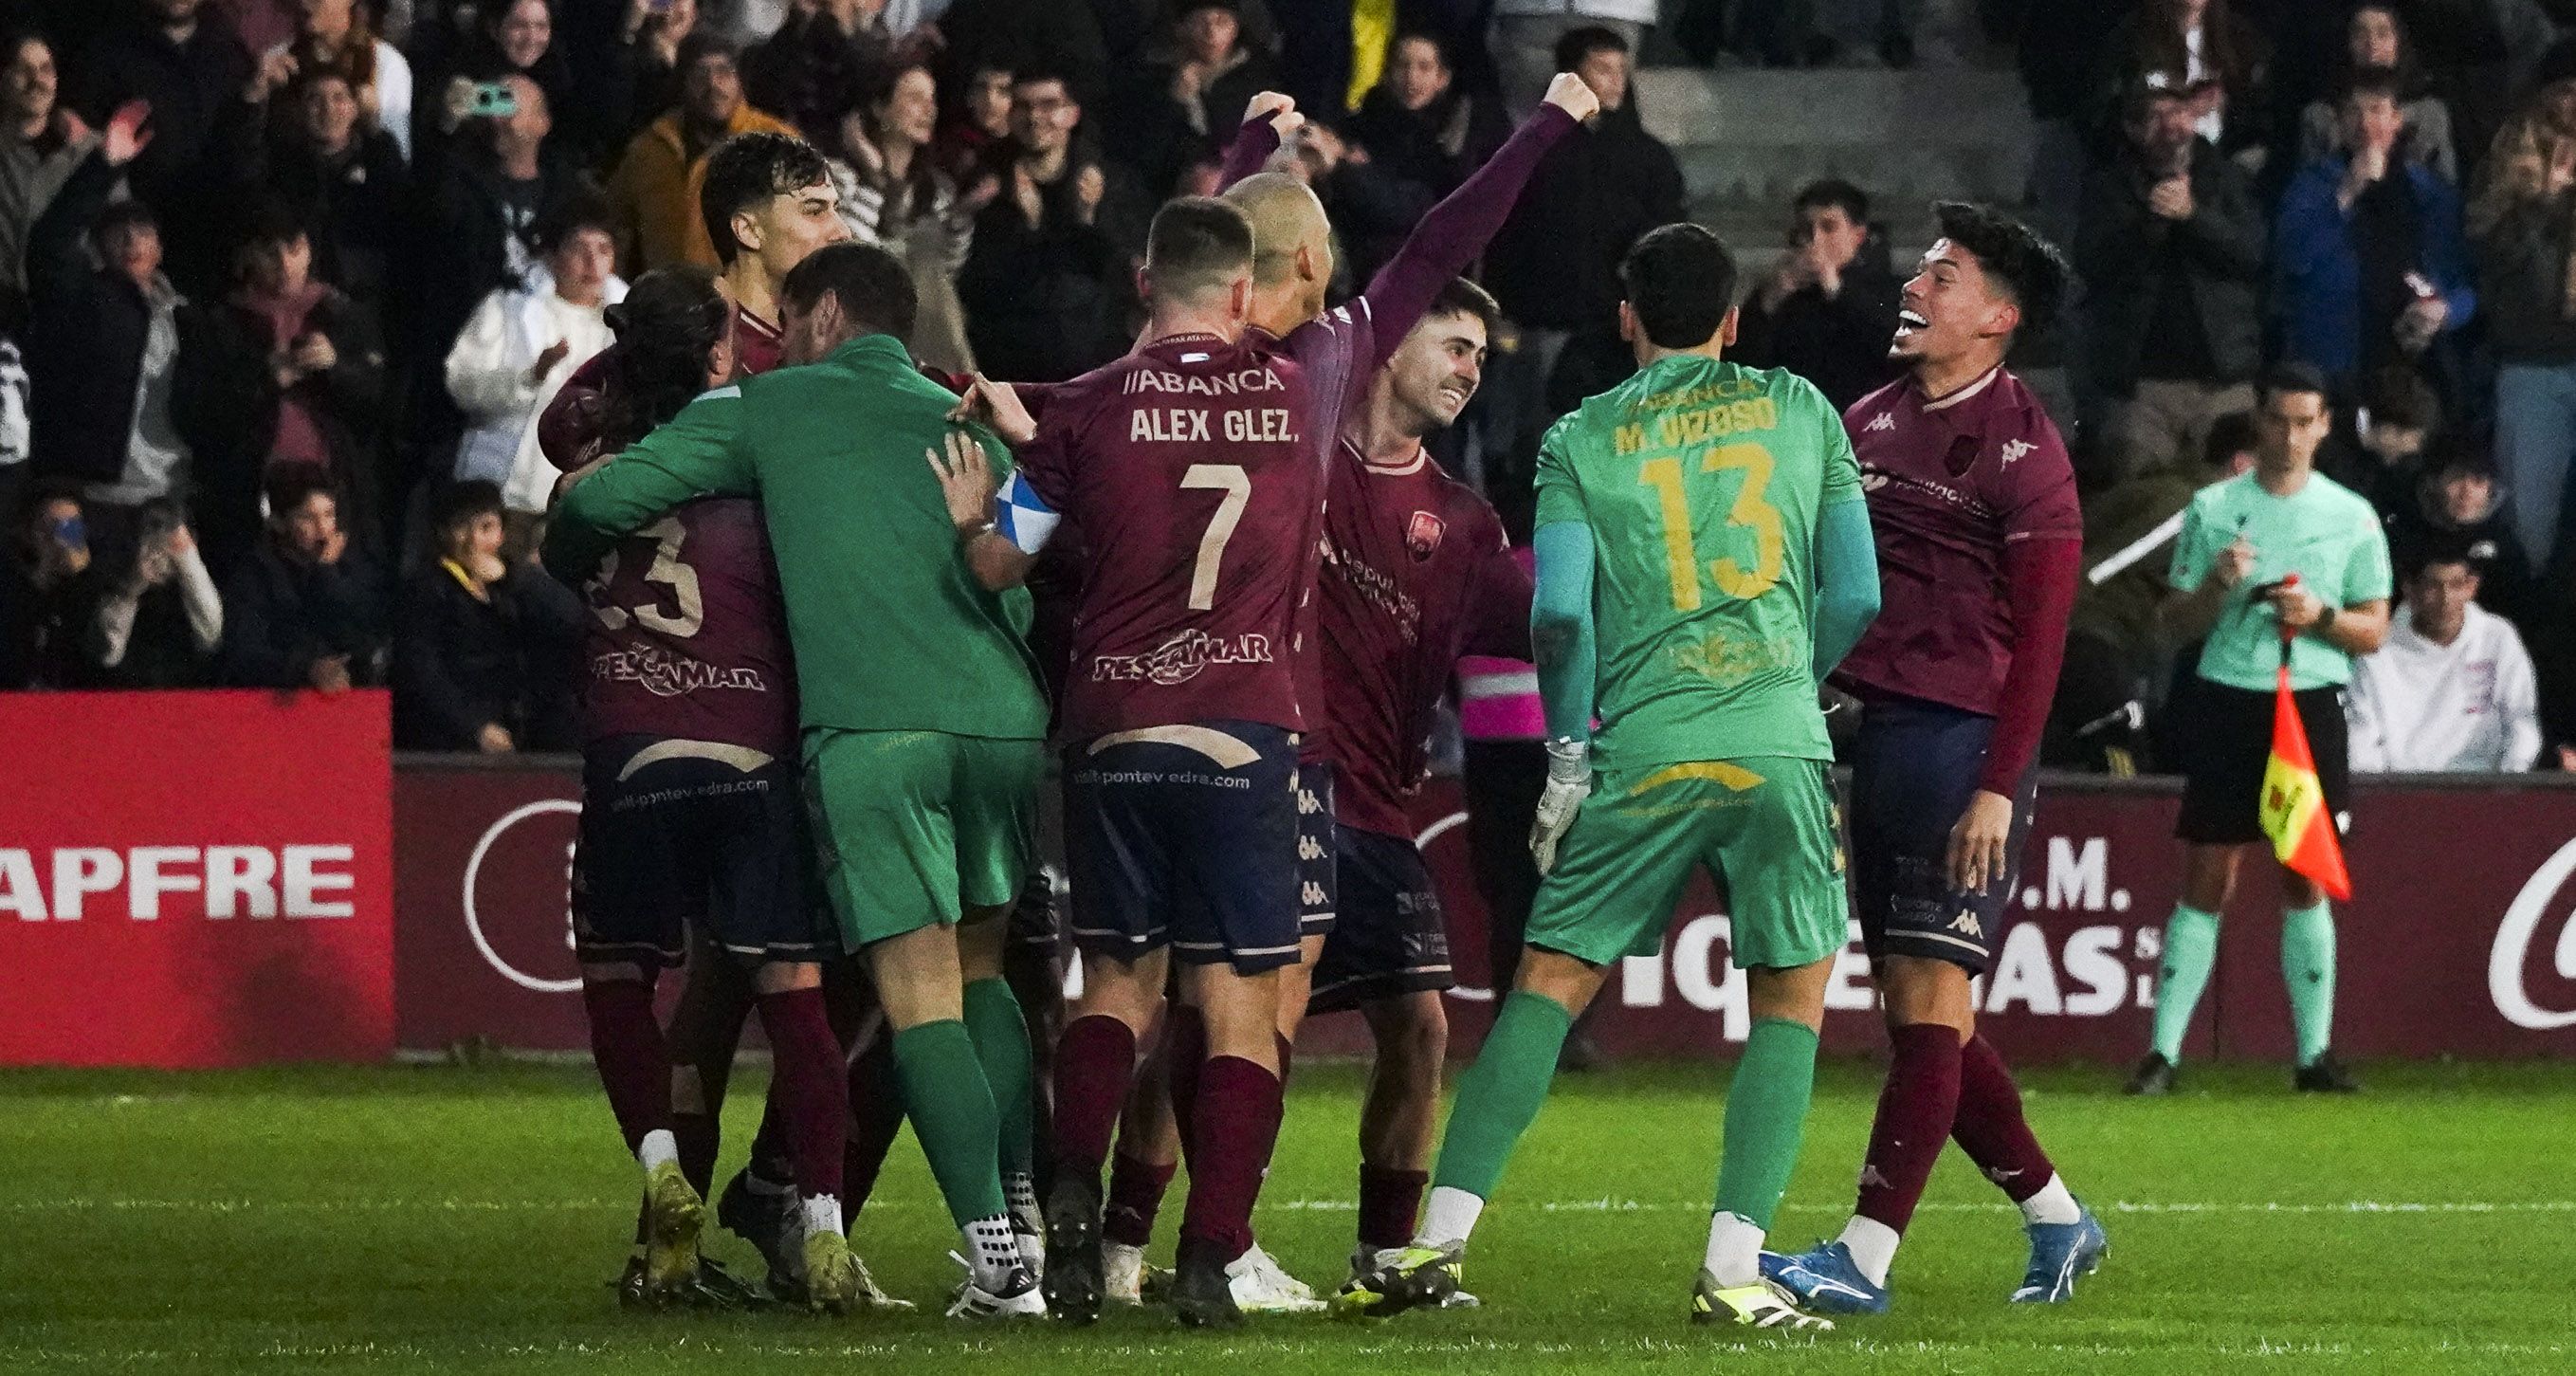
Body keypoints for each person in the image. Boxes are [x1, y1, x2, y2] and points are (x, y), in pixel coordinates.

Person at [1014, 82, 1591, 1321]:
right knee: (1238, 999)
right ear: (1298, 269)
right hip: (1251, 735)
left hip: (1114, 724)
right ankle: (1206, 1250)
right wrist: (1545, 126)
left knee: (1117, 985)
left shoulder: (1103, 391)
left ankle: (1079, 1202)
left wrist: (1240, 152)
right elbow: (1434, 237)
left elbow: (1013, 536)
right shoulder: (1307, 383)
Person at [1337, 221, 1881, 1330]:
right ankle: (1732, 1269)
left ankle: (1431, 1242)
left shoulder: (1582, 437)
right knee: (1787, 997)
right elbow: (1859, 595)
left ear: (1625, 317)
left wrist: (1568, 754)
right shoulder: (1801, 410)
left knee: (1545, 984)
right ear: (1732, 321)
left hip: (1640, 745)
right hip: (1778, 736)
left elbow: (1554, 612)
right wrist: (1787, 682)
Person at [545, 242, 1051, 1320]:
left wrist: (580, 504)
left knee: (919, 1000)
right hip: (1005, 721)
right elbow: (1018, 574)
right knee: (986, 971)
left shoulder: (766, 407)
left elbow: (599, 508)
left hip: (877, 728)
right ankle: (1027, 1194)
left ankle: (999, 1257)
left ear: (819, 316)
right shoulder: (960, 414)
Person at [1763, 203, 2106, 1317]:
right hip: (1879, 737)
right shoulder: (1861, 421)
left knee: (1923, 1009)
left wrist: (2000, 789)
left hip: (1963, 748)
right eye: (1920, 269)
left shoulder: (2026, 451)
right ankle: (2056, 1218)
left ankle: (1862, 1256)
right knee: (1929, 1015)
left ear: (1996, 319)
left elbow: (2043, 645)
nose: (1914, 286)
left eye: (1942, 277)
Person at [537, 265, 872, 1312]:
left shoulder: (584, 480)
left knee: (620, 984)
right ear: (721, 356)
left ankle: (660, 1174)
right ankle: (819, 1220)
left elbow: (559, 457)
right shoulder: (764, 456)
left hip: (632, 748)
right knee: (796, 1002)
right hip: (747, 751)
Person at [1307, 279, 1538, 1298]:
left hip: (1378, 809)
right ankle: (1135, 1234)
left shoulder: (1465, 525)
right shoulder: (1299, 460)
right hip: (1277, 789)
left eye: (1480, 355)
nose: (1468, 368)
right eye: (1451, 344)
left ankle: (1383, 1254)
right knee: (1218, 1024)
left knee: (1423, 1023)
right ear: (1387, 346)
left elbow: (1539, 634)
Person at [2129, 362, 2392, 1097]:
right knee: (2208, 873)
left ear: (2324, 426)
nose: (2289, 434)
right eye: (2278, 419)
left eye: (2304, 421)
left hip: (2307, 701)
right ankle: (2162, 1054)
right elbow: (2169, 623)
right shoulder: (2214, 507)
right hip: (2227, 697)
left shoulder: (2350, 516)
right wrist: (2216, 584)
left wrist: (2321, 619)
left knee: (2304, 874)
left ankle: (2313, 1054)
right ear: (2260, 420)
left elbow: (2374, 628)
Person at [1479, 26, 1682, 478]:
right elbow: (1508, 233)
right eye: (1601, 69)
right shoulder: (1536, 151)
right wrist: (1499, 305)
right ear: (1572, 74)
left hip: (1618, 331)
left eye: (1620, 71)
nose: (1614, 81)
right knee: (1540, 446)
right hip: (1544, 323)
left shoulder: (1649, 159)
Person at [26, 104, 203, 553]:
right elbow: (49, 244)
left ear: (160, 247)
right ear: (99, 248)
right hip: (86, 497)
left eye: (142, 232)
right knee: (75, 572)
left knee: (195, 608)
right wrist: (103, 165)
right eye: (118, 232)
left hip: (170, 494)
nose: (131, 240)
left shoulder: (189, 316)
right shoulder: (82, 298)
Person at [2076, 83, 2263, 484]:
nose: (2169, 125)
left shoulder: (2227, 178)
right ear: (2132, 128)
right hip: (2143, 391)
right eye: (2155, 116)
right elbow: (2094, 264)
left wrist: (2194, 216)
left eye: (2177, 112)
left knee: (2232, 512)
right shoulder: (2109, 186)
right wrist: (2153, 219)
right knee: (2141, 508)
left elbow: (2252, 255)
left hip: (2223, 383)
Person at [191, 204, 389, 582]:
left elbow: (378, 404)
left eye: (294, 249)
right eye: (270, 252)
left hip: (333, 488)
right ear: (247, 257)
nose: (285, 264)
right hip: (251, 494)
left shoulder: (340, 312)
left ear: (310, 250)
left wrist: (337, 368)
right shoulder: (220, 323)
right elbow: (200, 414)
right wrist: (267, 380)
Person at [2274, 71, 2475, 393]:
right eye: (2354, 112)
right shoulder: (2311, 186)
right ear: (2339, 122)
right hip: (2333, 366)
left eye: (2377, 110)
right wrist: (2346, 193)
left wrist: (2444, 312)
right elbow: (2294, 259)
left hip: (2412, 370)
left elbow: (2463, 285)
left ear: (2396, 120)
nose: (2366, 123)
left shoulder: (2431, 192)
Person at [954, 70, 1144, 383]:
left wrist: (1088, 217)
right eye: (1023, 106)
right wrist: (1026, 226)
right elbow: (979, 288)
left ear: (1072, 114)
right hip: (1014, 367)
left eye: (1048, 105)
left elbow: (1126, 272)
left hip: (1098, 366)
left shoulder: (1111, 183)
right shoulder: (988, 182)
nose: (1034, 117)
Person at [2466, 39, 2576, 577]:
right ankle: (2519, 640)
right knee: (2527, 527)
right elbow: (2494, 255)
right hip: (2535, 365)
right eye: (2567, 91)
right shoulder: (2514, 154)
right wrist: (2547, 200)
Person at [67, 0, 256, 297]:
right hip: (137, 236)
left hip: (219, 234)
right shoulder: (110, 50)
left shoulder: (229, 50)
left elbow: (244, 146)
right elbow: (86, 142)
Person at [446, 197, 623, 505]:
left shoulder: (626, 324)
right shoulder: (509, 309)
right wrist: (531, 376)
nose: (592, 263)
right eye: (579, 249)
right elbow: (461, 385)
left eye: (603, 250)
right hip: (502, 492)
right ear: (552, 256)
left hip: (582, 498)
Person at [395, 479, 579, 752]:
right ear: (444, 533)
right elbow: (423, 671)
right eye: (462, 527)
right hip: (455, 736)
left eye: (486, 528)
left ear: (502, 534)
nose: (474, 541)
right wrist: (475, 727)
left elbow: (570, 621)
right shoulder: (427, 588)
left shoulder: (516, 583)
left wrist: (514, 579)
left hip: (525, 726)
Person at [827, 64, 979, 374]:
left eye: (932, 100)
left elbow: (946, 274)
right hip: (856, 328)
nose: (929, 110)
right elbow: (850, 256)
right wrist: (875, 171)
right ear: (881, 109)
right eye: (915, 98)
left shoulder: (936, 192)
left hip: (923, 337)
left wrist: (962, 216)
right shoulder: (840, 180)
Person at [605, 34, 798, 271]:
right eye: (700, 74)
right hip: (669, 300)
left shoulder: (775, 142)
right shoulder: (649, 149)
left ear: (740, 81)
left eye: (724, 72)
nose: (713, 85)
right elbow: (615, 226)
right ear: (682, 82)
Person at [2347, 548, 2543, 771]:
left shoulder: (2498, 637)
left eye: (2456, 585)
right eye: (2433, 586)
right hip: (2403, 791)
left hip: (2487, 790)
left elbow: (2522, 724)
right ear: (2409, 588)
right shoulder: (2376, 650)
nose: (2445, 599)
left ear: (2472, 586)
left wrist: (2511, 785)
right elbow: (2362, 740)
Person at [1731, 178, 1904, 414]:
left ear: (1858, 236)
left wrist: (1837, 290)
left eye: (1829, 227)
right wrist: (1770, 300)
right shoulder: (1784, 294)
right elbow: (1741, 362)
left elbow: (1889, 349)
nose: (1816, 239)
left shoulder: (1888, 289)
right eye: (1806, 229)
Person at [216, 468, 388, 690]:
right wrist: (306, 669)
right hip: (278, 708)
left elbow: (362, 636)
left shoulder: (351, 567)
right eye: (307, 517)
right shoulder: (256, 576)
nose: (323, 530)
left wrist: (327, 574)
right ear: (278, 522)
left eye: (329, 515)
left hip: (351, 705)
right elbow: (244, 654)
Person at [1119, 0, 1283, 196]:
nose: (1211, 33)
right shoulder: (1152, 75)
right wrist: (1176, 102)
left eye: (1221, 22)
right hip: (1174, 186)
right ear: (1181, 28)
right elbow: (1144, 152)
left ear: (1236, 27)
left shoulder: (1256, 75)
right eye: (1200, 23)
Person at [2295, 3, 2457, 184]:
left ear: (2398, 43)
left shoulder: (2430, 114)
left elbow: (2447, 187)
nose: (2371, 44)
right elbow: (2308, 192)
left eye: (2383, 33)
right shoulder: (2319, 117)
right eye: (2360, 34)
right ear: (2347, 44)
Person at [2092, 0, 2271, 161]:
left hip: (2216, 177)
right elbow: (2105, 117)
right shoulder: (2131, 39)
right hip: (2145, 174)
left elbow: (2256, 121)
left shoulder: (2239, 39)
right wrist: (2182, 109)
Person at [0, 32, 97, 327]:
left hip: (69, 314)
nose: (36, 80)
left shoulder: (89, 153)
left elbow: (116, 230)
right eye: (23, 69)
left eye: (45, 69)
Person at [88, 497, 223, 687]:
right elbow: (108, 654)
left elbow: (211, 635)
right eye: (152, 541)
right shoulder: (110, 583)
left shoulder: (194, 587)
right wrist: (131, 589)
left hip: (187, 696)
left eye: (171, 543)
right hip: (125, 696)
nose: (161, 553)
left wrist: (187, 559)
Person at [257, 0, 412, 161]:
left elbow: (399, 161)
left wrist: (373, 122)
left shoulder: (384, 63)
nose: (304, 2)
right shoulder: (279, 61)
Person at [0, 480, 100, 688]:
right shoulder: (10, 582)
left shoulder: (97, 586)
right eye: (49, 530)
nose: (60, 540)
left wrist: (80, 575)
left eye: (69, 529)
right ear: (29, 533)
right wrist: (42, 573)